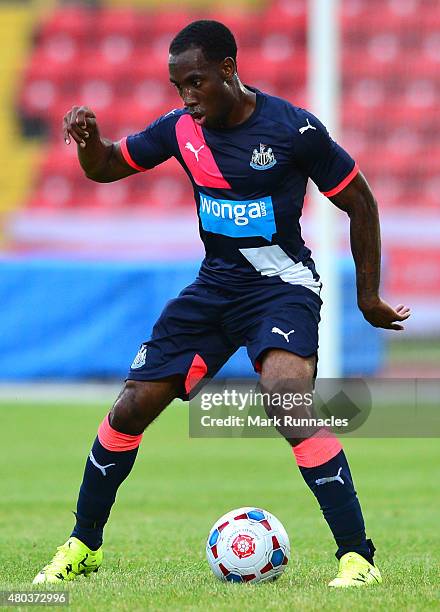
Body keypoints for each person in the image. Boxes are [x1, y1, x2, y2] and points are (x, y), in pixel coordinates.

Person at [33, 20, 410, 587]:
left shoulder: (294, 130)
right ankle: (83, 545)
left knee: (286, 400)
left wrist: (369, 297)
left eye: (196, 82)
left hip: (281, 287)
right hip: (215, 287)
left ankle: (357, 559)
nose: (187, 97)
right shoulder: (181, 129)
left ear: (229, 71)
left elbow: (361, 203)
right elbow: (108, 166)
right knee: (131, 407)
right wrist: (89, 142)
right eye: (178, 85)